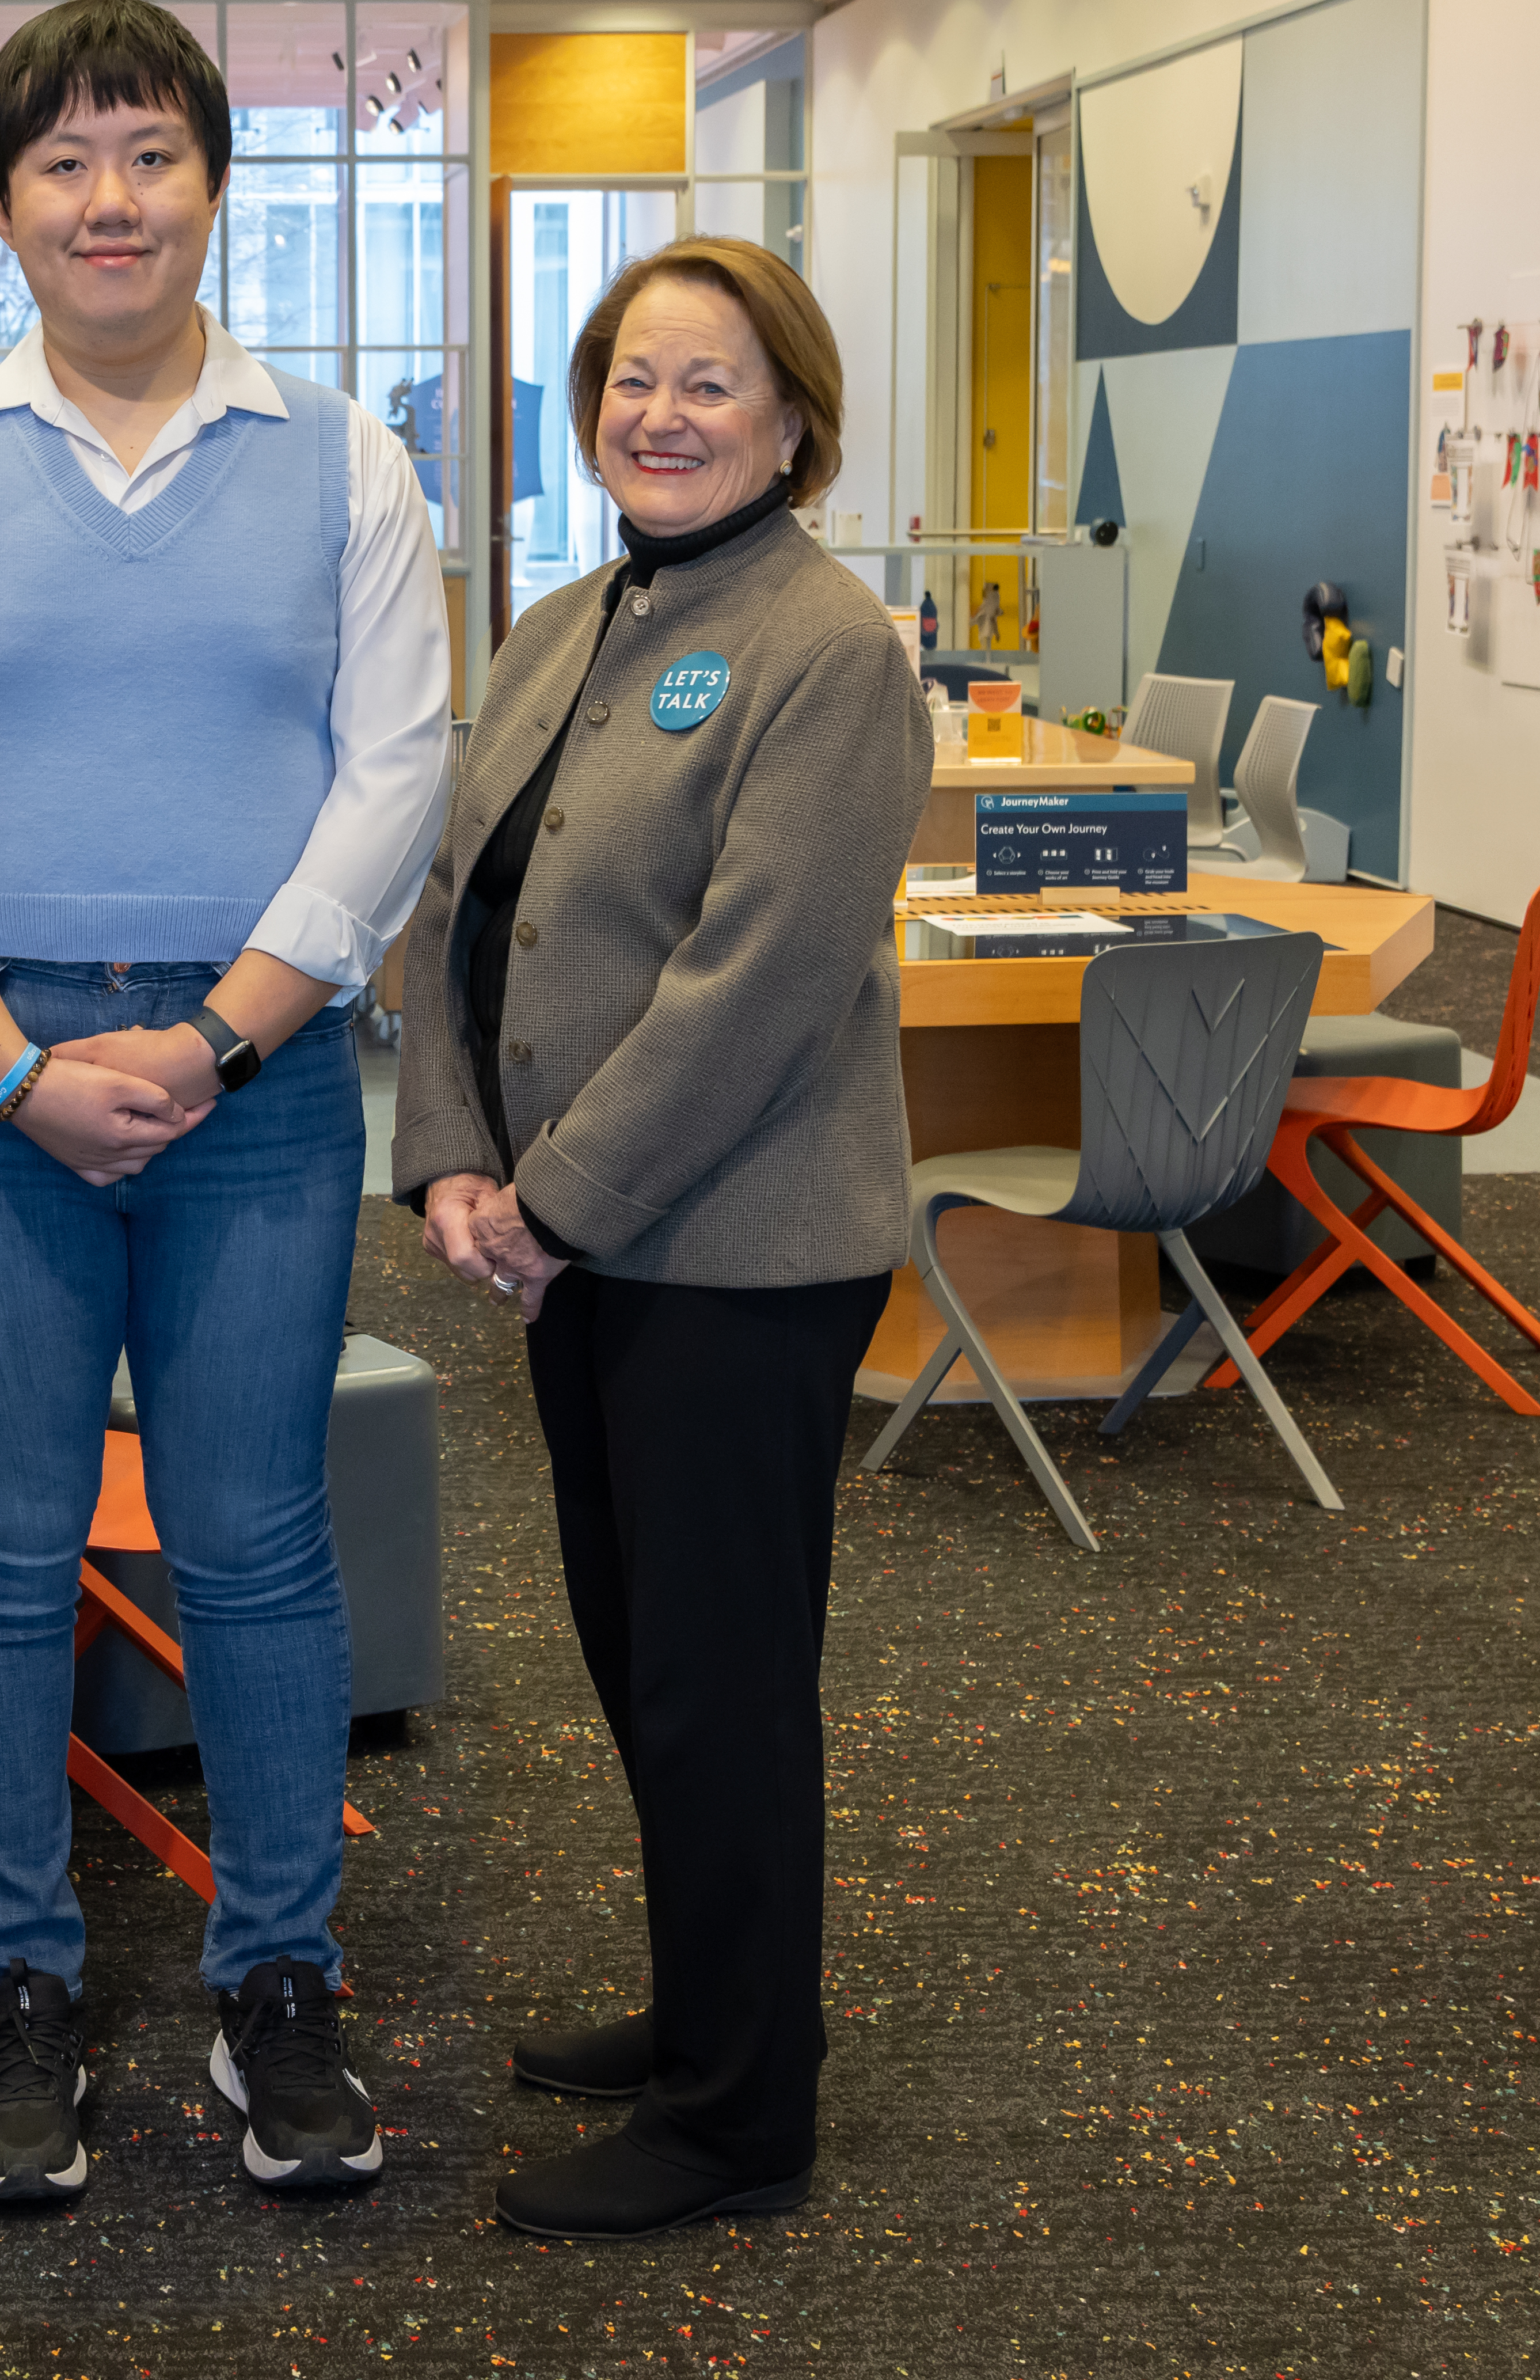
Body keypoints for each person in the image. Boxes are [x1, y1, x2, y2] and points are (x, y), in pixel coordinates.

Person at [0, 0, 450, 2209]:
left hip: (245, 1079)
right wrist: (9, 1065)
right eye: (64, 162)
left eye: (151, 153)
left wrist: (206, 1044)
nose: (111, 198)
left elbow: (391, 784)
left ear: (209, 188)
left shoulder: (345, 461)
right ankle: (16, 1992)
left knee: (256, 1546)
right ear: (1, 210)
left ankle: (278, 1983)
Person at [383, 237, 927, 2242]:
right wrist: (448, 1153)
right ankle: (708, 2011)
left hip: (738, 1257)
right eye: (630, 379)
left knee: (718, 1680)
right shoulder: (562, 622)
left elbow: (760, 978)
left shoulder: (825, 649)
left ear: (791, 416)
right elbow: (459, 905)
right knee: (638, 1655)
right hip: (581, 1248)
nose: (661, 414)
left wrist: (553, 1201)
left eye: (709, 382)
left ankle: (738, 2119)